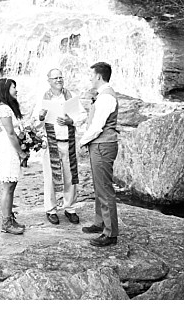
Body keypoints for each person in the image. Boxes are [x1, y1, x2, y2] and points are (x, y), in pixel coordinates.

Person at [35, 68, 85, 225]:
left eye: (60, 77)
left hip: (68, 142)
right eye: (55, 78)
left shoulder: (71, 98)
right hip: (51, 143)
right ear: (48, 81)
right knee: (50, 177)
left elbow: (82, 116)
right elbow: (34, 124)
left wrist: (71, 121)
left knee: (70, 176)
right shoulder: (43, 99)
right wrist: (41, 117)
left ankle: (69, 208)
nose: (59, 80)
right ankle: (51, 209)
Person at [79, 62, 120, 247]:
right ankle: (100, 222)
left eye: (91, 75)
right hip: (100, 145)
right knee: (99, 186)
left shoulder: (106, 97)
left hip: (103, 145)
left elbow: (97, 127)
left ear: (98, 76)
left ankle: (110, 233)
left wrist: (81, 142)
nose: (89, 78)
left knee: (104, 188)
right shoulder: (103, 95)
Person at [0, 78, 29, 235]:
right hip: (8, 149)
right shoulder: (4, 109)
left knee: (12, 184)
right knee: (8, 186)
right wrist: (21, 152)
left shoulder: (7, 107)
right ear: (6, 90)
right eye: (14, 87)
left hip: (10, 147)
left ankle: (9, 217)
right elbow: (10, 133)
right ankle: (6, 222)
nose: (16, 90)